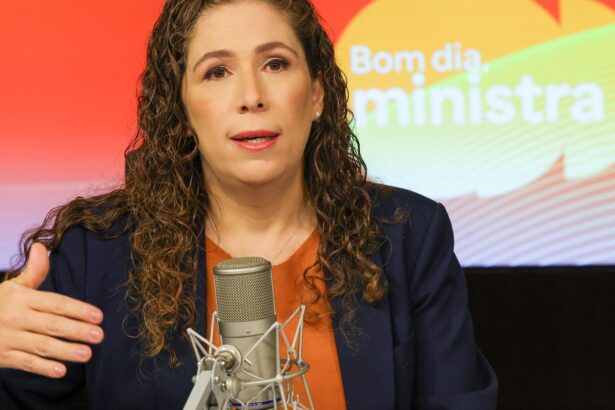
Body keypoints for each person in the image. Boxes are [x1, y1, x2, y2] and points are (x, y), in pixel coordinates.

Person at [0, 0, 498, 408]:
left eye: (275, 64)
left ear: (317, 93)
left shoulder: (407, 235)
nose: (252, 96)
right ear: (181, 108)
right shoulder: (98, 254)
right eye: (217, 72)